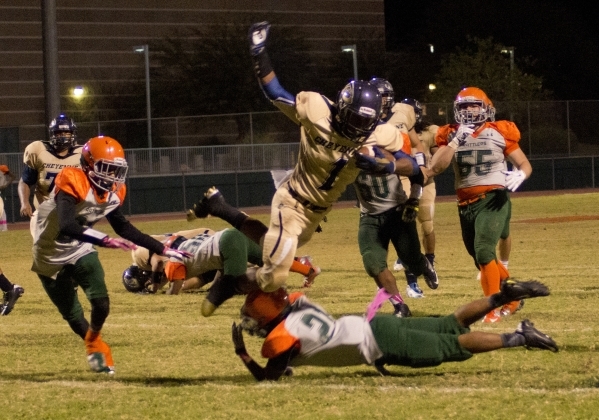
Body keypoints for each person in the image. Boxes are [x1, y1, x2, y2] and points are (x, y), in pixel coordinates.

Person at [188, 22, 425, 293]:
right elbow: (275, 93)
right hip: (292, 199)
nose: (359, 126)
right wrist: (259, 53)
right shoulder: (317, 112)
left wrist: (388, 166)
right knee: (274, 271)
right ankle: (232, 288)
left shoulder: (380, 133)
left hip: (317, 211)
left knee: (269, 242)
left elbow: (412, 166)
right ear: (343, 108)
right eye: (356, 118)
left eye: (365, 121)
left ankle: (219, 207)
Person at [30, 136, 189, 374]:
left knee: (101, 303)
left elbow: (124, 228)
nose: (112, 175)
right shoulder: (73, 178)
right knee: (73, 315)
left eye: (116, 169)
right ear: (88, 164)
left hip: (80, 248)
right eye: (106, 168)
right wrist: (104, 240)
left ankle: (94, 342)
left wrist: (163, 248)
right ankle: (92, 342)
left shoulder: (115, 191)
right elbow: (66, 225)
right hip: (49, 254)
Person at [230, 279, 557, 381]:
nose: (253, 324)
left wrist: (243, 353)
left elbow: (269, 377)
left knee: (452, 345)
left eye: (255, 319)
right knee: (448, 323)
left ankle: (519, 337)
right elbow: (290, 296)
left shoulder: (280, 340)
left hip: (378, 341)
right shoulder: (300, 306)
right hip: (373, 322)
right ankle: (501, 296)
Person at [426, 87, 532, 323]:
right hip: (465, 204)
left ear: (486, 108)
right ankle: (514, 298)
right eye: (464, 106)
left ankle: (490, 309)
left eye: (474, 105)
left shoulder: (499, 131)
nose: (469, 110)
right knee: (481, 259)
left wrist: (521, 175)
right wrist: (455, 142)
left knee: (484, 251)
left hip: (494, 199)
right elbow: (436, 167)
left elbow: (524, 164)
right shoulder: (450, 133)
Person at [353, 165, 439, 316]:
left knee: (411, 261)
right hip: (369, 218)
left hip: (397, 214)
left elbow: (417, 174)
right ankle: (400, 306)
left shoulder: (389, 151)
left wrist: (413, 199)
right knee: (373, 264)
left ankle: (424, 264)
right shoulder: (349, 158)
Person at [395, 99, 440, 297]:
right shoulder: (394, 131)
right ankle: (411, 282)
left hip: (426, 183)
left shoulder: (430, 132)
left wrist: (429, 171)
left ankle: (429, 262)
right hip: (404, 182)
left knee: (428, 225)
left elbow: (438, 158)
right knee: (407, 229)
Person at [18, 114, 82, 219]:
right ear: (52, 134)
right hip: (45, 211)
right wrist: (24, 202)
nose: (63, 136)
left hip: (71, 210)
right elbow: (25, 181)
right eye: (59, 133)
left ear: (72, 134)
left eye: (67, 132)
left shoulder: (82, 154)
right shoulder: (39, 151)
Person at [0, 164, 15, 231]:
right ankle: (2, 227)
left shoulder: (2, 171)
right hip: (1, 190)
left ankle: (4, 227)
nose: (6, 173)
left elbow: (13, 176)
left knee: (1, 209)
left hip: (1, 191)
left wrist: (6, 184)